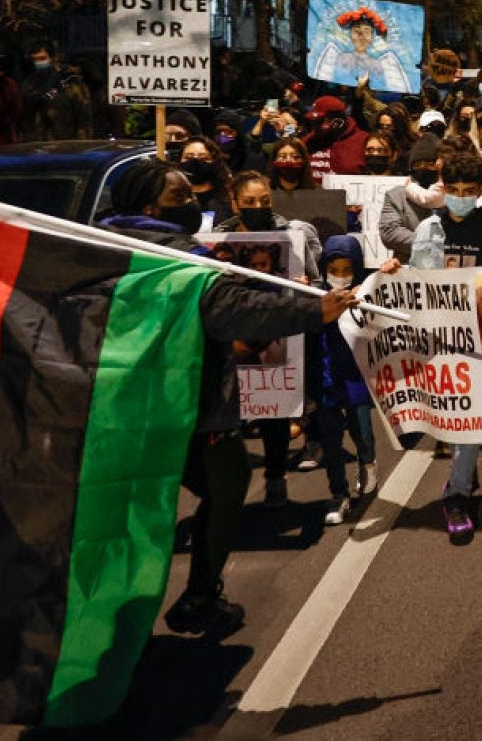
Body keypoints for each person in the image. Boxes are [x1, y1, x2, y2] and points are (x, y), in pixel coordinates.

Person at [100, 159, 358, 638]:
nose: (195, 205)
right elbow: (236, 311)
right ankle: (199, 597)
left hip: (113, 410)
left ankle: (103, 613)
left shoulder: (99, 247)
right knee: (228, 483)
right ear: (152, 207)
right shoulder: (184, 261)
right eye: (182, 199)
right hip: (190, 408)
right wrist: (314, 309)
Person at [403, 151, 482, 544]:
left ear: (481, 191)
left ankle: (458, 486)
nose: (460, 197)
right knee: (462, 419)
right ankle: (458, 490)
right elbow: (416, 285)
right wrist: (393, 272)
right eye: (453, 190)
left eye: (469, 191)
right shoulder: (426, 232)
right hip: (442, 340)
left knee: (479, 415)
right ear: (443, 190)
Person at [216, 170, 323, 507]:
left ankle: (276, 477)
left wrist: (305, 287)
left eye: (264, 201)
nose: (257, 207)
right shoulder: (215, 241)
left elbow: (317, 287)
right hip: (232, 336)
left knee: (273, 413)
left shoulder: (291, 236)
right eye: (249, 202)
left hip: (276, 335)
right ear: (234, 203)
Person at [313, 236, 381, 526]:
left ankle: (368, 464)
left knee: (361, 429)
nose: (339, 276)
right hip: (325, 375)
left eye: (346, 269)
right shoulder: (311, 292)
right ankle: (337, 493)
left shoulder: (367, 290)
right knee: (330, 439)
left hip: (356, 375)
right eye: (334, 269)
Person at [378, 135, 444, 262]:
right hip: (407, 268)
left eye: (430, 164)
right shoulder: (396, 196)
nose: (424, 168)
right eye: (418, 164)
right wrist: (435, 244)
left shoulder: (451, 192)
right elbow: (390, 233)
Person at [18, 37, 92, 142]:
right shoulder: (30, 83)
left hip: (65, 143)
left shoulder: (70, 81)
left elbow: (83, 117)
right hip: (38, 144)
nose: (38, 63)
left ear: (54, 58)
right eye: (35, 60)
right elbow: (25, 118)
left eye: (42, 59)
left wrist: (82, 145)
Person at [303, 95, 369, 178]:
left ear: (338, 123)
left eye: (319, 122)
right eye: (313, 122)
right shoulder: (308, 141)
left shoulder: (364, 140)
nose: (314, 126)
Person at [179, 135, 235, 230]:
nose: (195, 162)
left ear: (214, 162)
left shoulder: (229, 198)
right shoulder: (173, 198)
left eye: (203, 159)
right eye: (188, 158)